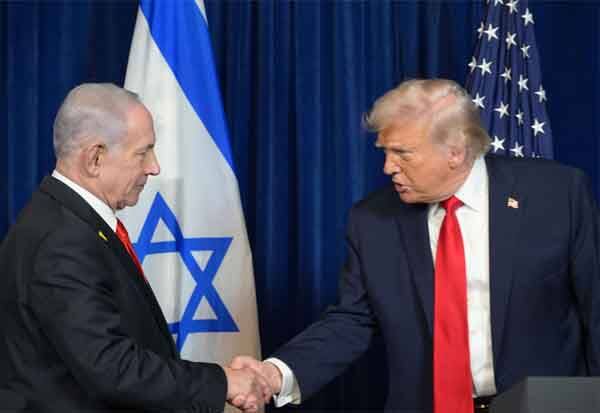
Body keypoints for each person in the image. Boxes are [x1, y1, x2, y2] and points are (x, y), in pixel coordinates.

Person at [231, 78, 600, 413]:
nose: (388, 168)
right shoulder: (372, 220)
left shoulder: (558, 195)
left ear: (455, 151)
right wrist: (273, 375)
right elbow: (352, 320)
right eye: (385, 152)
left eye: (402, 153)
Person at [0, 83, 271, 412]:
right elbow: (111, 368)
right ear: (95, 158)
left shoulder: (70, 222)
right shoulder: (62, 240)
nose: (154, 167)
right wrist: (224, 382)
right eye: (143, 152)